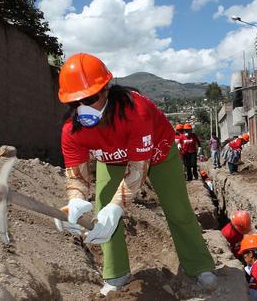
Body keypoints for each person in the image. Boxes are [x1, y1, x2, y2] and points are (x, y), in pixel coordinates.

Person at [55, 53, 217, 295]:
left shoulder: (136, 111)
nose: (83, 107)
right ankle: (116, 275)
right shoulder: (71, 131)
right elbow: (77, 176)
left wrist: (117, 205)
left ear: (106, 89)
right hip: (111, 161)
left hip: (158, 156)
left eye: (90, 98)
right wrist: (75, 201)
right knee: (104, 217)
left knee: (177, 210)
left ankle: (199, 265)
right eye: (76, 102)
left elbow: (138, 170)